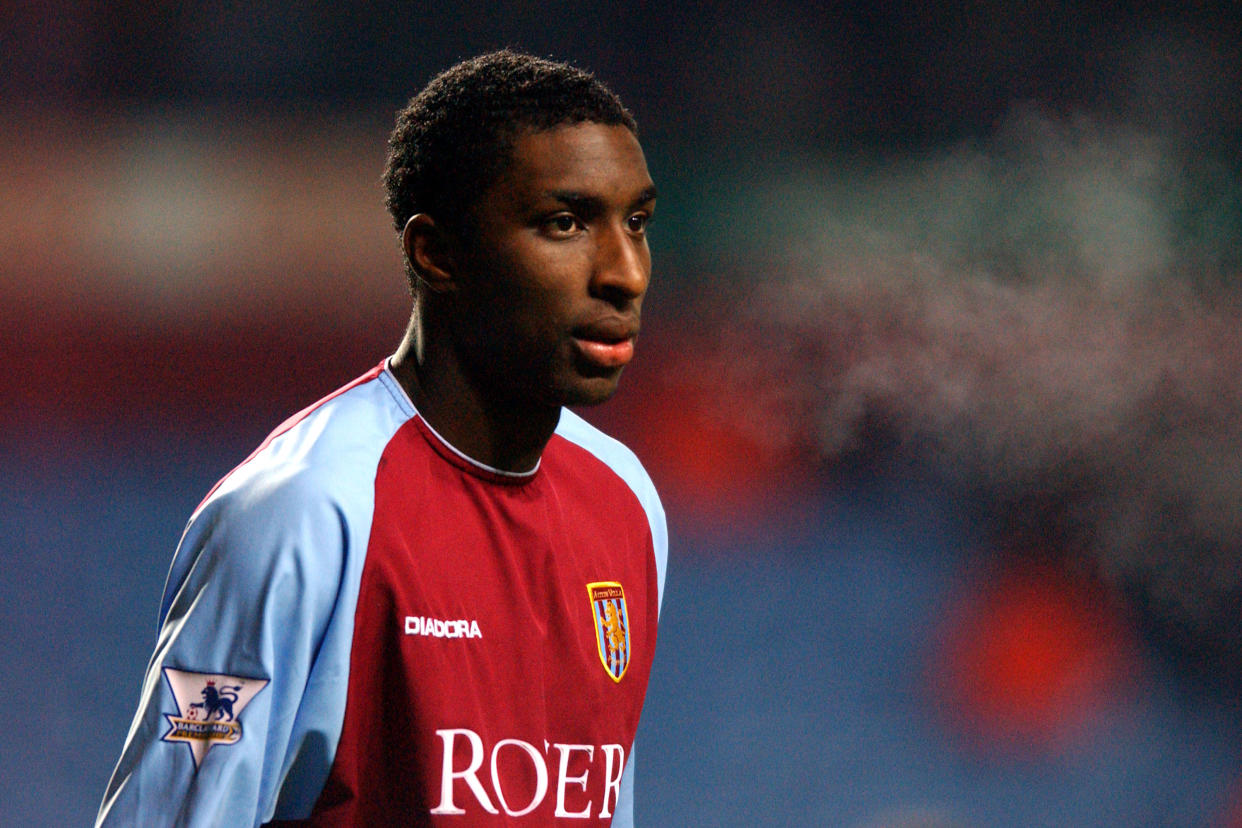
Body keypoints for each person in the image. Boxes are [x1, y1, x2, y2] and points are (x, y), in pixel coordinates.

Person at [96, 50, 667, 827]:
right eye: (564, 223)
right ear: (436, 254)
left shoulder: (626, 499)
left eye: (636, 222)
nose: (625, 273)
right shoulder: (301, 512)